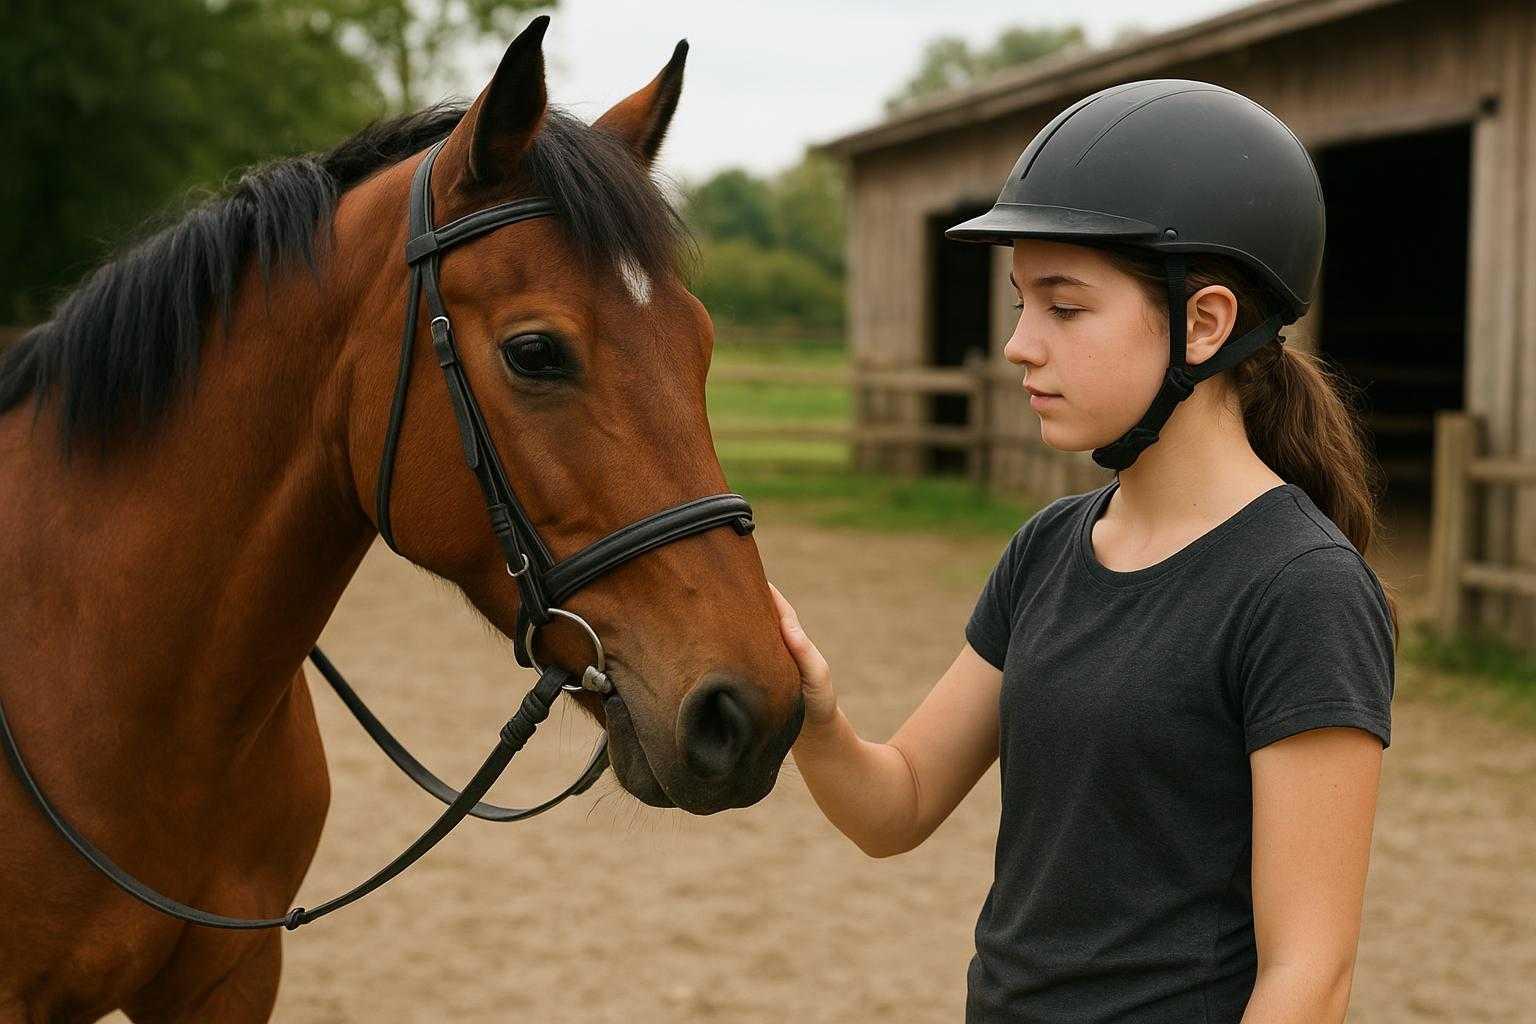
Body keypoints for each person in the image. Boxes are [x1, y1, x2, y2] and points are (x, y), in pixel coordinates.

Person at [771, 79, 1398, 1023]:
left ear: (1205, 322)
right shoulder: (1049, 549)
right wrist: (815, 719)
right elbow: (893, 809)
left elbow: (1310, 977)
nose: (1020, 345)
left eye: (1064, 308)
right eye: (1023, 302)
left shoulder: (1301, 591)